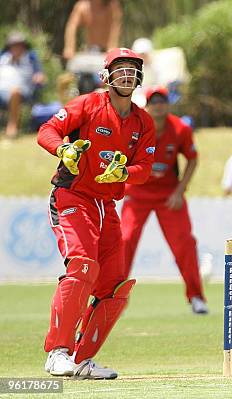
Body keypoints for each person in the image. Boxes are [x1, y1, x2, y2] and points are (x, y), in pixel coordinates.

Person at [37, 47, 155, 379]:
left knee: (116, 287)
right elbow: (46, 130)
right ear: (107, 75)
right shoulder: (88, 104)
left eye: (133, 70)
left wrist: (124, 174)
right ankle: (57, 353)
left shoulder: (142, 121)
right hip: (72, 195)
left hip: (107, 206)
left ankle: (81, 360)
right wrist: (64, 149)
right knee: (83, 266)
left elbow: (145, 167)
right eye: (121, 69)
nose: (127, 75)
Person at [121, 86, 208, 314]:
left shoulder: (180, 128)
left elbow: (192, 159)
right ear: (146, 106)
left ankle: (196, 297)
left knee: (185, 243)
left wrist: (180, 191)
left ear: (168, 105)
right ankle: (113, 298)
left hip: (168, 196)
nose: (158, 106)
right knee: (124, 240)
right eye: (154, 102)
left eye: (162, 101)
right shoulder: (135, 126)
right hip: (137, 193)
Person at [0, 31, 46, 139]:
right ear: (9, 47)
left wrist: (39, 77)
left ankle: (12, 126)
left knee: (15, 91)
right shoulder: (3, 58)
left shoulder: (30, 58)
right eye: (14, 45)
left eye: (19, 45)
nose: (17, 47)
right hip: (2, 89)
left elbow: (40, 75)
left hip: (23, 91)